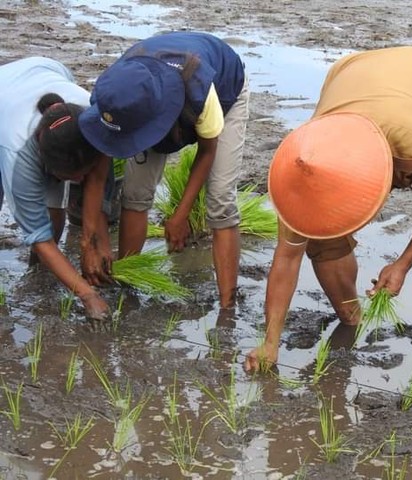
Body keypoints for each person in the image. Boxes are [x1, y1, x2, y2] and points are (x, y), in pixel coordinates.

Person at [244, 46, 412, 371]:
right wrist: (270, 342)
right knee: (320, 232)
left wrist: (402, 264)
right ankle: (352, 319)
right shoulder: (301, 166)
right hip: (349, 72)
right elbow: (287, 257)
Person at [78, 31, 249, 309]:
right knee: (134, 192)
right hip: (147, 98)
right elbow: (99, 168)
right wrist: (91, 243)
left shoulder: (197, 86)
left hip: (223, 91)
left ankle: (228, 309)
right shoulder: (114, 96)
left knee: (220, 202)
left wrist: (180, 215)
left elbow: (208, 151)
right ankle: (127, 283)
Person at [0, 57, 111, 320]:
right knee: (39, 228)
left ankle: (40, 274)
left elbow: (96, 177)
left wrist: (91, 241)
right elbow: (39, 236)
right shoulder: (19, 155)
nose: (82, 180)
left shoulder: (91, 121)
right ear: (46, 164)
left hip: (44, 68)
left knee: (54, 212)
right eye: (74, 176)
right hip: (5, 107)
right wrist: (88, 295)